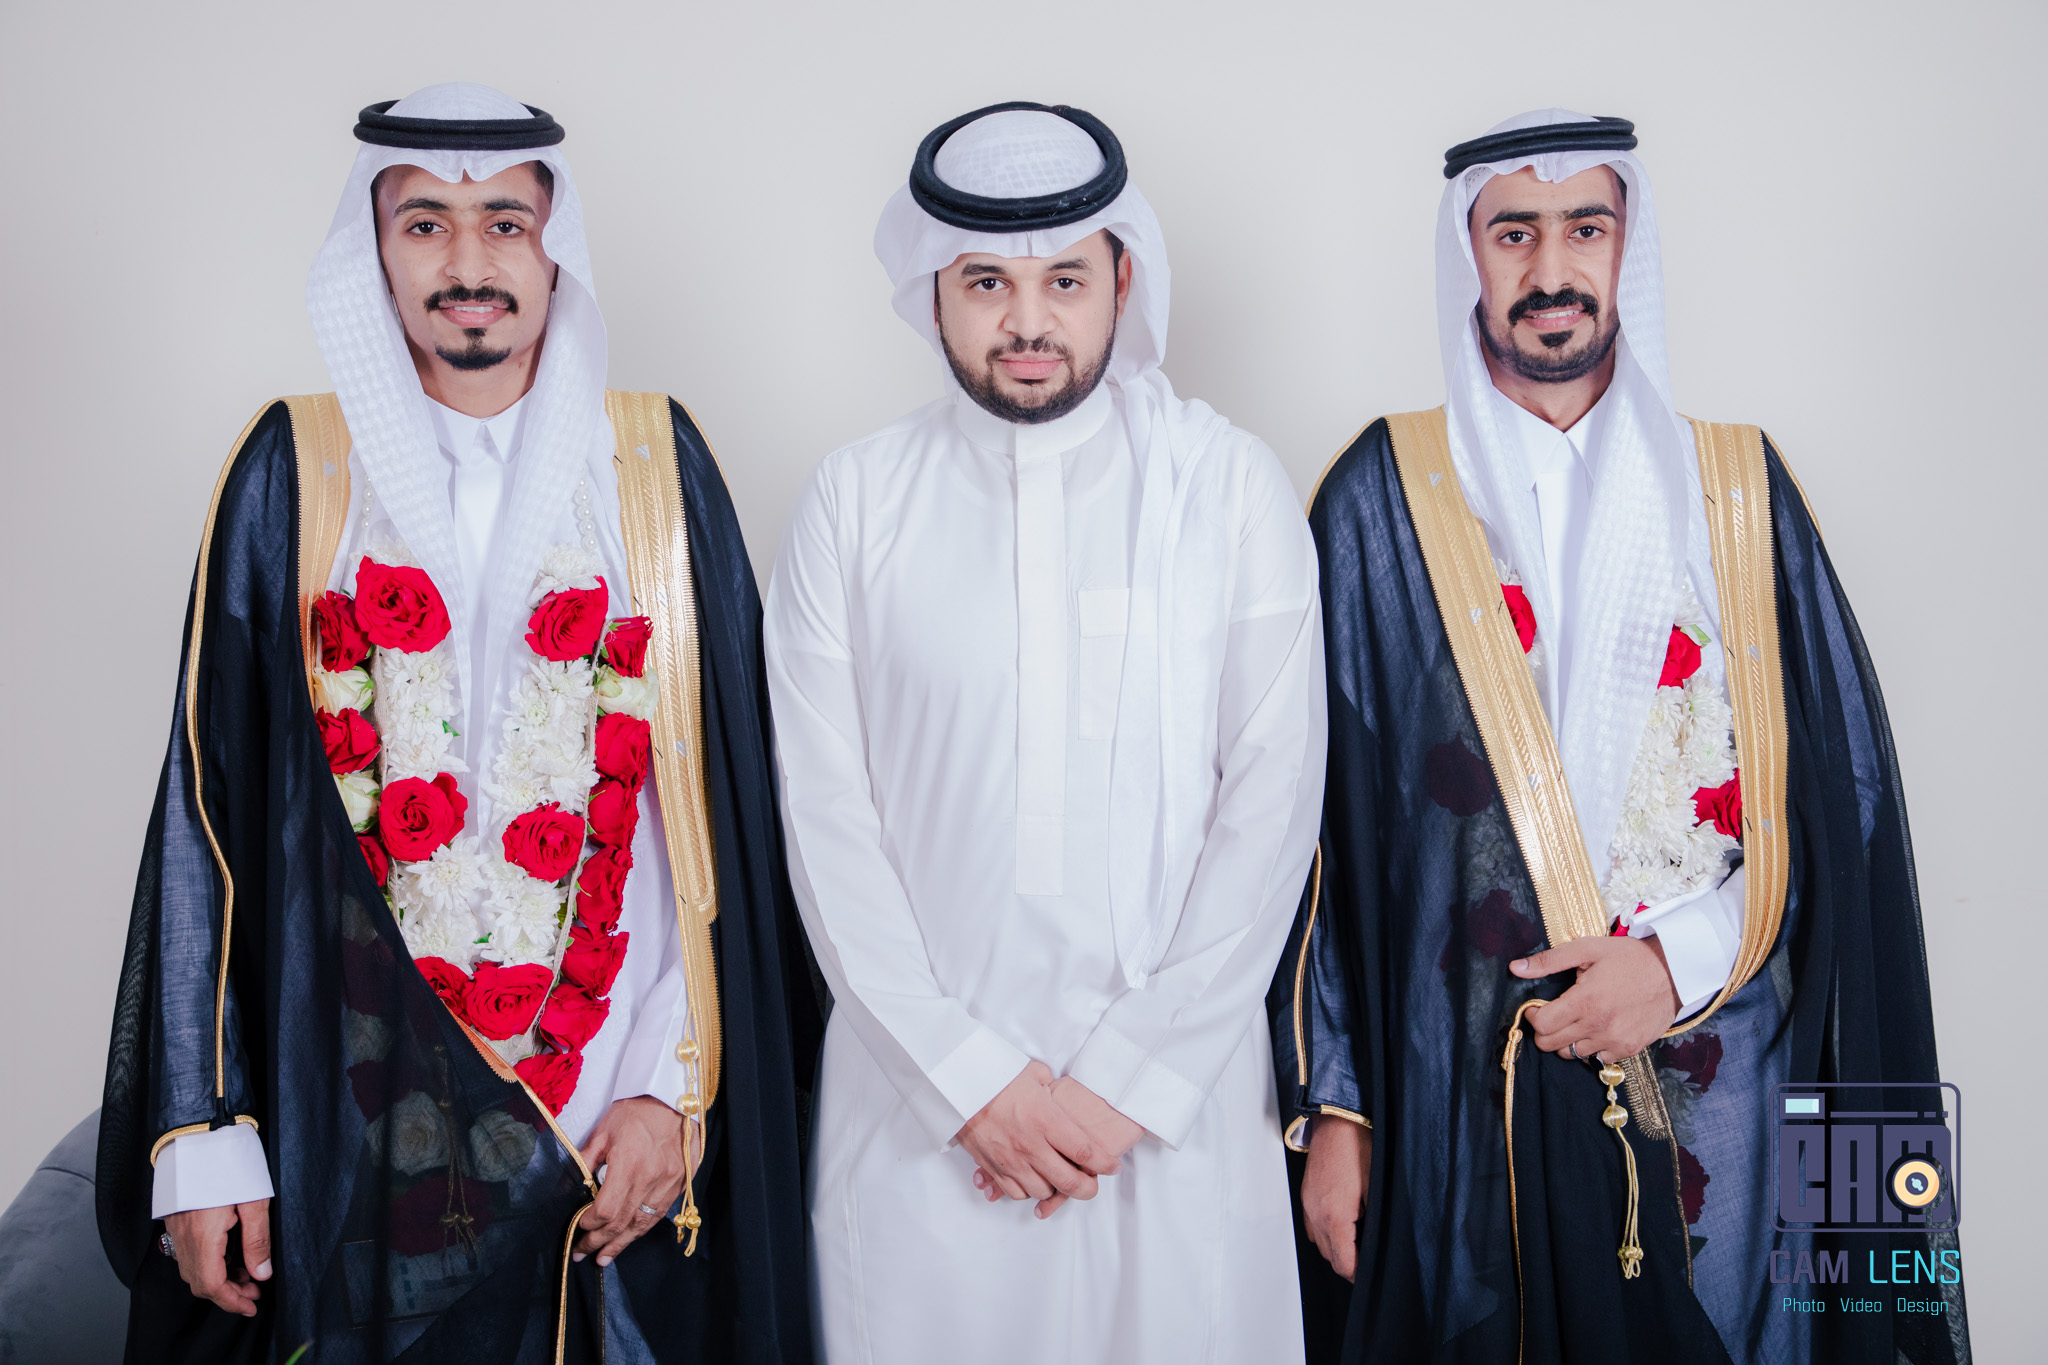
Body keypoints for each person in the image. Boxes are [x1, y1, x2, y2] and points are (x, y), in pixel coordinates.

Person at [95, 84, 820, 1364]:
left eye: (505, 224)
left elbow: (722, 826)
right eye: (424, 224)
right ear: (374, 253)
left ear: (555, 250)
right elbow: (207, 813)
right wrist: (203, 1133)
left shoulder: (651, 470)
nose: (468, 264)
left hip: (610, 1122)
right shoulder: (294, 469)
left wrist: (672, 1090)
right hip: (355, 1114)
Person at [1274, 110, 1969, 1363]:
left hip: (1725, 1084)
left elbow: (1842, 810)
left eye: (1582, 229)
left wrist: (1677, 962)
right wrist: (1338, 1112)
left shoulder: (1737, 492)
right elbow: (1312, 837)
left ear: (1624, 245)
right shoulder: (1378, 497)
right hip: (1456, 1102)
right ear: (1466, 252)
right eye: (1513, 233)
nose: (1550, 268)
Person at [765, 102, 1325, 1363]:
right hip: (920, 1127)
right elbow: (824, 824)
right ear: (932, 292)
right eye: (986, 283)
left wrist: (1130, 1080)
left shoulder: (1224, 486)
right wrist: (964, 1079)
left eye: (1064, 280)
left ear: (1122, 281)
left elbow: (1272, 802)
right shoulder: (853, 503)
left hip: (1169, 1120)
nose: (1027, 321)